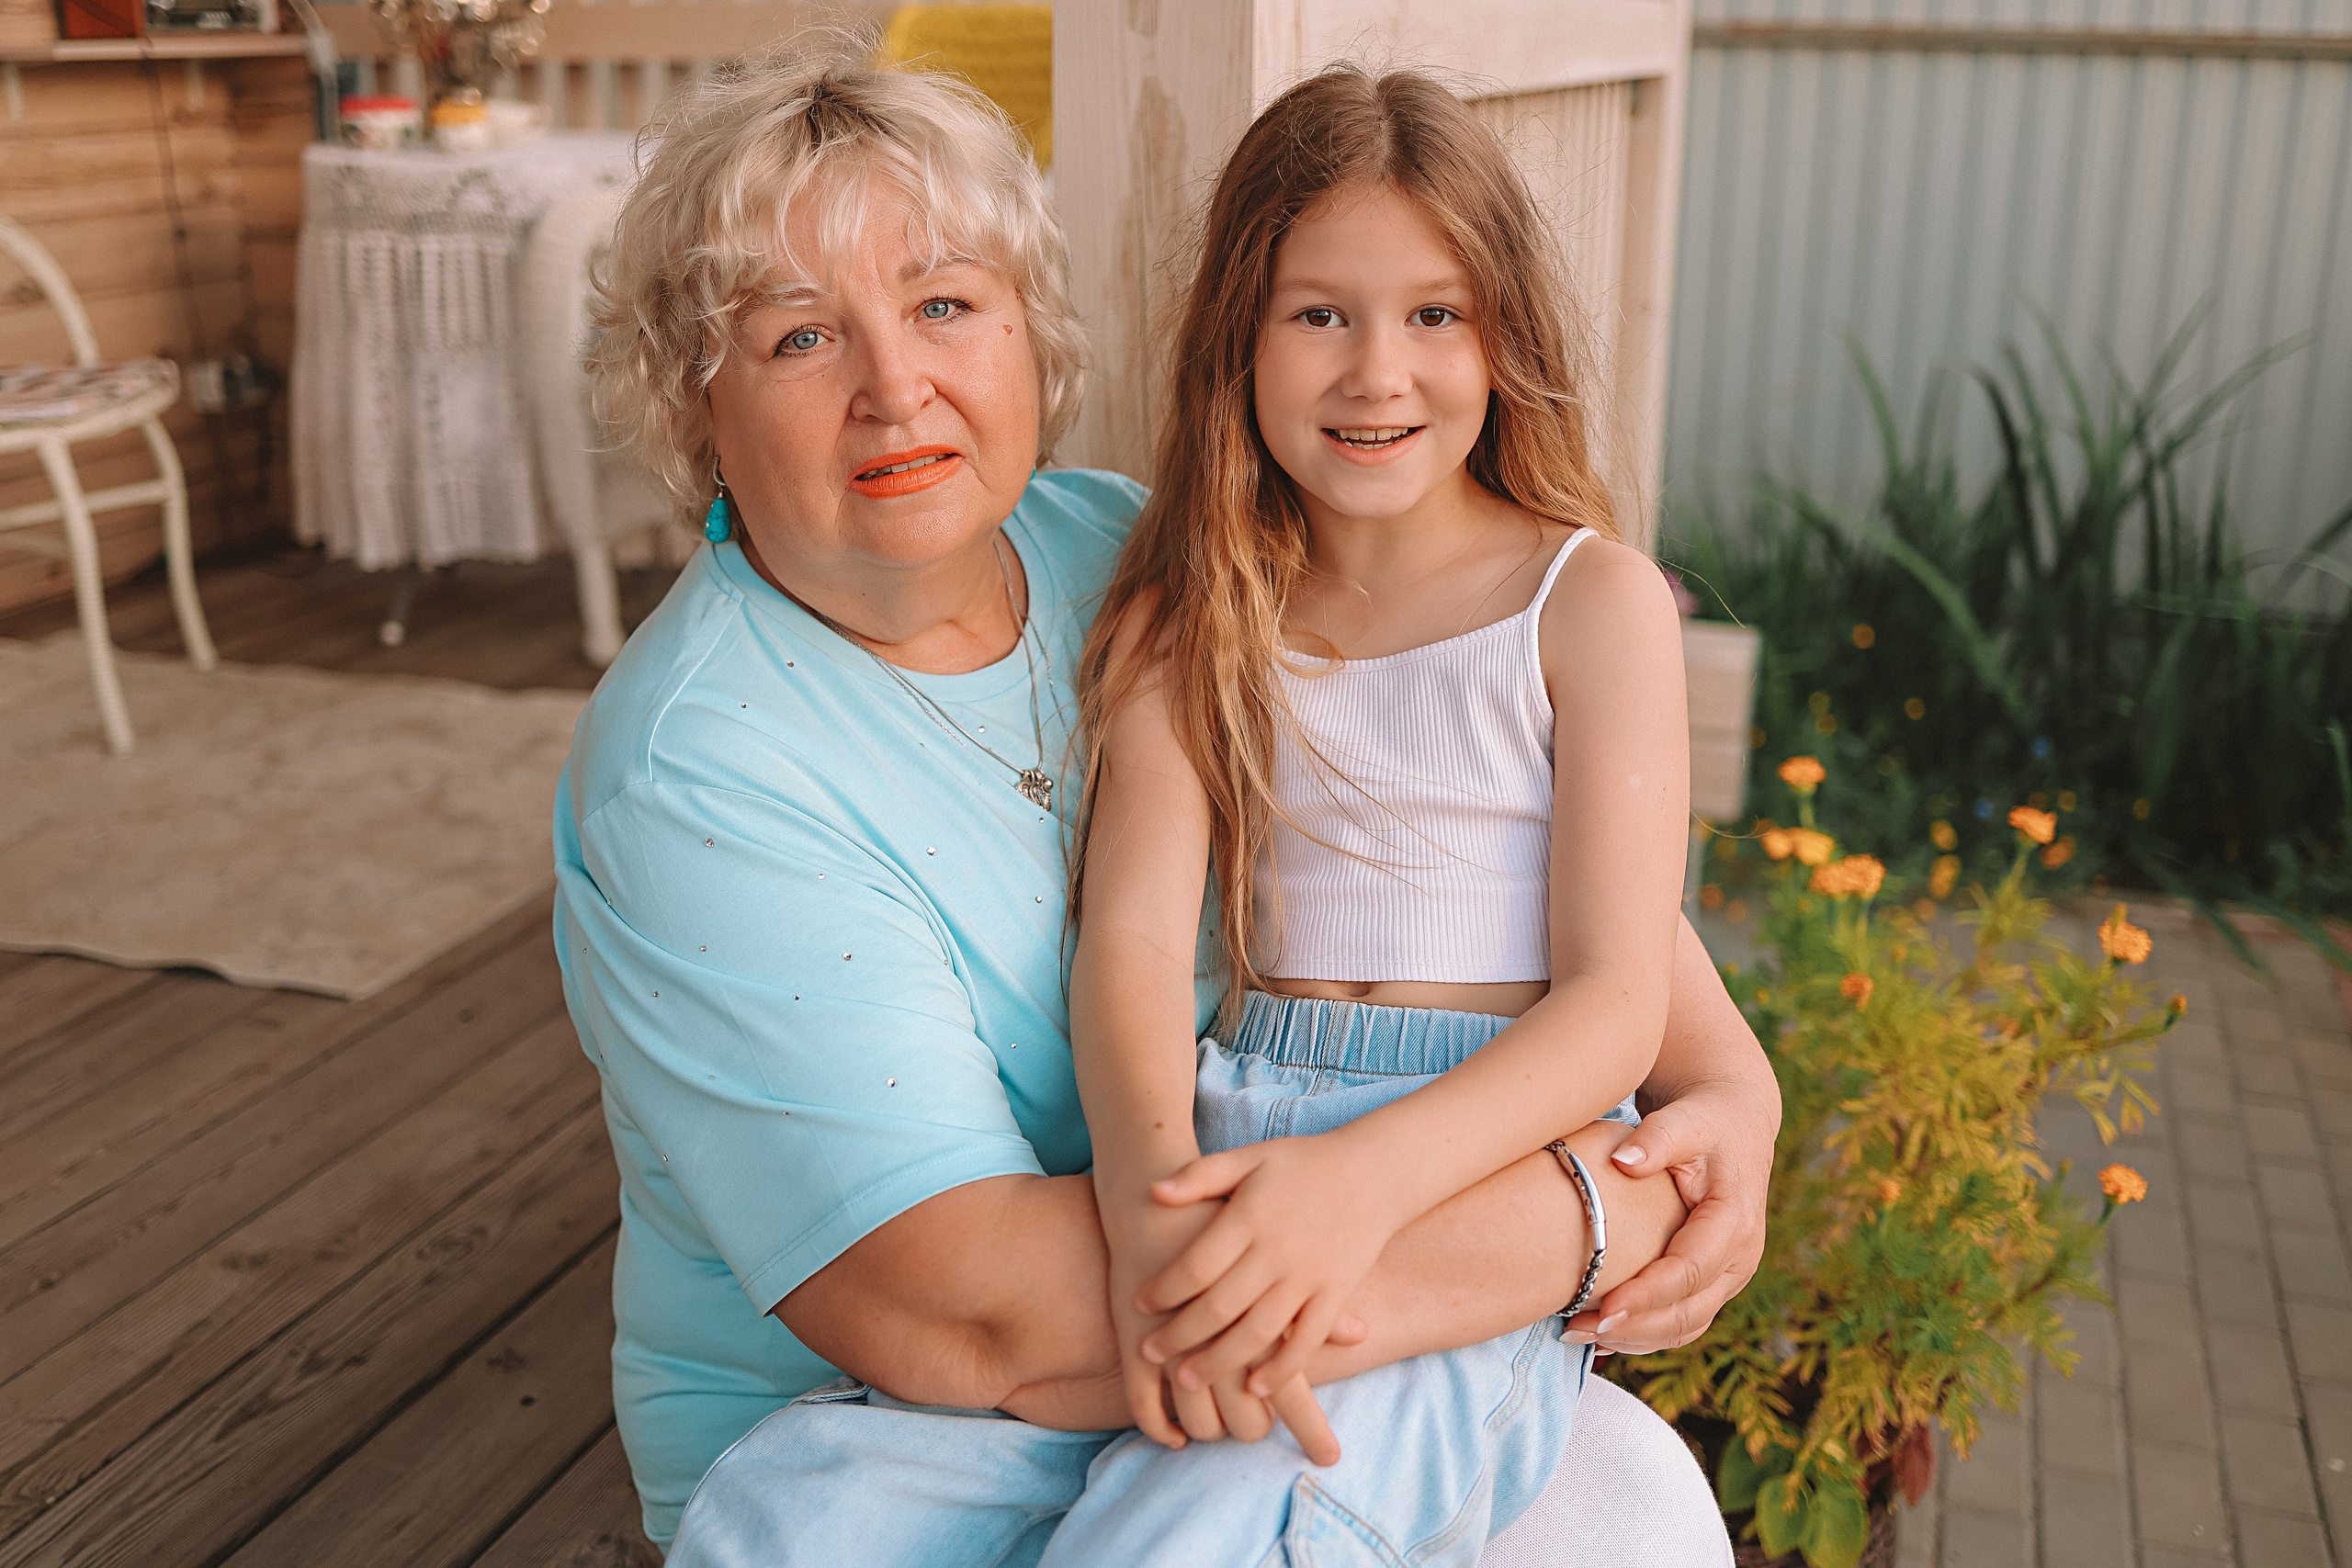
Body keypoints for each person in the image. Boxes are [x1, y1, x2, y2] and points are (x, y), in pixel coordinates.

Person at [557, 43, 1773, 1564]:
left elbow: (1491, 850)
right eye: (799, 337)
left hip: (1265, 1256)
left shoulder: (1127, 551)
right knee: (790, 1518)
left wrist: (1733, 1090)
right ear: (696, 402)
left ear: (1027, 325)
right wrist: (1600, 1210)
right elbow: (977, 1318)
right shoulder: (699, 774)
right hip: (958, 1376)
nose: (896, 387)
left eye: (945, 304)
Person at [1046, 62, 1702, 1562]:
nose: (1377, 374)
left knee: (1206, 1526)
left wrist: (1358, 1184)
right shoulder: (1189, 617)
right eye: (1319, 316)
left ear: (1504, 335)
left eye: (1434, 316)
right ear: (1240, 335)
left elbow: (1617, 1003)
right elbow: (1131, 947)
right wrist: (1149, 1206)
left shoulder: (1588, 603)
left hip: (1482, 1159)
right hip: (1232, 1132)